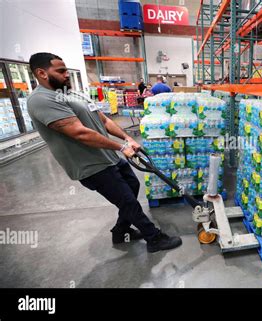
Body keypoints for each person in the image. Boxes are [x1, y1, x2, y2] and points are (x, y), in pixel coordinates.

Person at [26, 52, 182, 253]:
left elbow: (104, 120)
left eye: (66, 70)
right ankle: (154, 238)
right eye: (61, 71)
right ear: (41, 73)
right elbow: (80, 133)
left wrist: (128, 139)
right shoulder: (40, 100)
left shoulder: (73, 93)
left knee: (132, 186)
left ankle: (121, 231)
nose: (66, 74)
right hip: (90, 165)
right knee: (126, 199)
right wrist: (120, 147)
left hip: (108, 157)